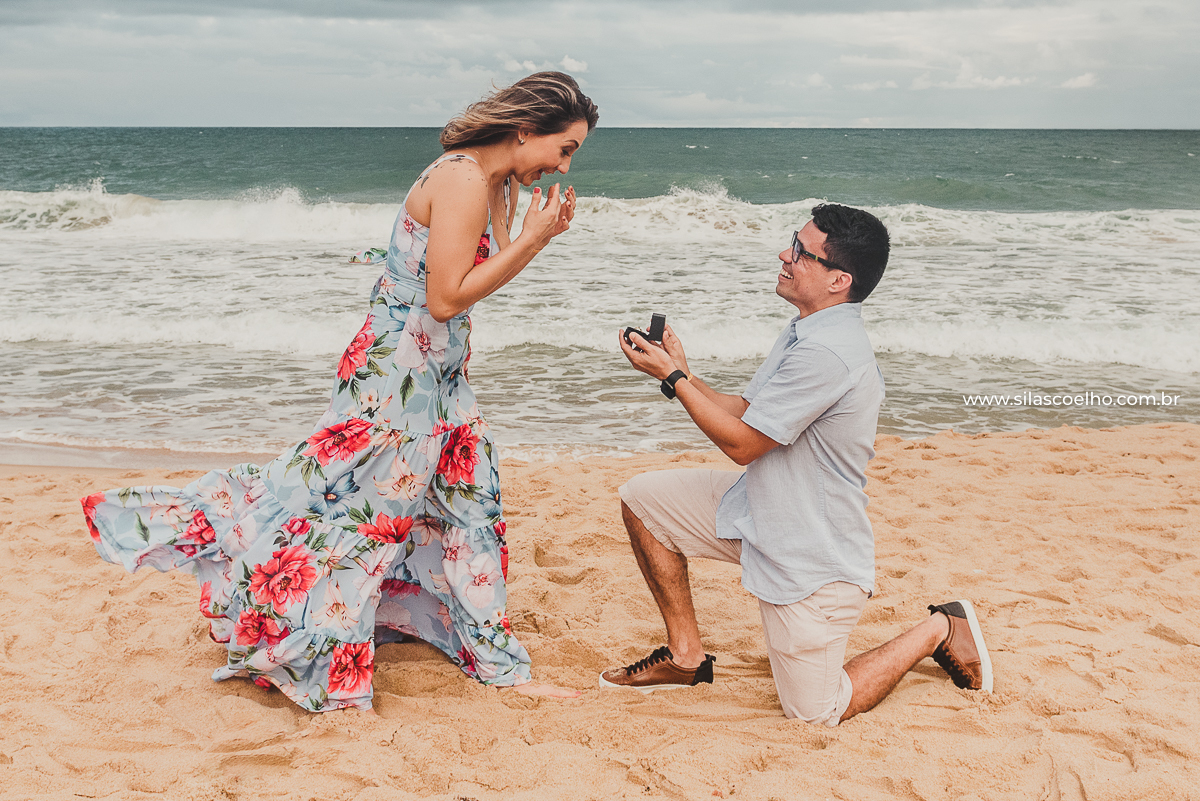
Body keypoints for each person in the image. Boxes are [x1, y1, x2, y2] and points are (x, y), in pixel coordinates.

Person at [80, 72, 598, 712]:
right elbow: (444, 298)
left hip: (437, 373)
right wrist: (534, 240)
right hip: (398, 378)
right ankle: (291, 620)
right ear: (526, 130)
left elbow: (457, 288)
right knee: (360, 514)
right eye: (565, 147)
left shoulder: (489, 183)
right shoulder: (462, 178)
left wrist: (525, 236)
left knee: (468, 507)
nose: (563, 164)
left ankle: (499, 666)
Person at [604, 204, 992, 726]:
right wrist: (685, 374)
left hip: (811, 555)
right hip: (759, 511)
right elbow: (747, 411)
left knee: (815, 713)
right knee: (644, 500)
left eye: (801, 252)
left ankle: (940, 629)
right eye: (793, 241)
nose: (785, 255)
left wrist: (672, 379)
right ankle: (686, 657)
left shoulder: (829, 351)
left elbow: (743, 445)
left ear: (839, 280)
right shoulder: (805, 328)